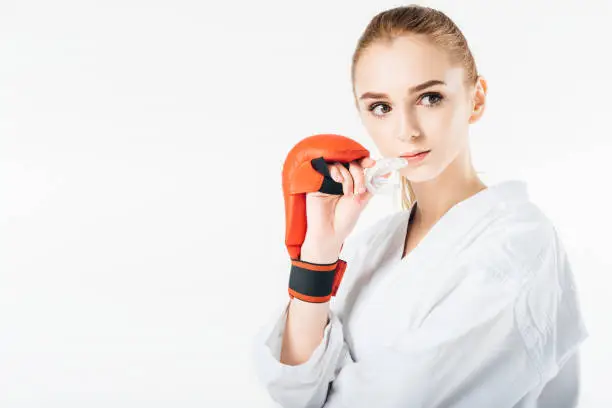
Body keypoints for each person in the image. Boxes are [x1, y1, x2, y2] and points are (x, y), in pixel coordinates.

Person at [252, 4, 588, 408]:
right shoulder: (376, 244)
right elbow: (294, 390)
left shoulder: (514, 247)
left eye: (430, 98)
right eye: (381, 107)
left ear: (475, 99)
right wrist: (319, 255)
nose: (405, 130)